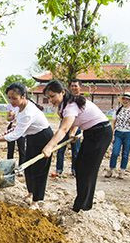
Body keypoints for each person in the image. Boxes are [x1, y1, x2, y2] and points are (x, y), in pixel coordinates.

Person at [42, 80, 112, 213]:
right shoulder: (64, 106)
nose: (50, 100)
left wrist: (49, 146)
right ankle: (81, 202)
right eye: (48, 97)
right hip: (91, 132)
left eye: (52, 96)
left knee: (88, 170)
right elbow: (74, 122)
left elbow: (63, 129)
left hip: (101, 133)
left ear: (62, 92)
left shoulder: (71, 106)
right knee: (80, 166)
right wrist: (73, 134)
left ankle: (83, 205)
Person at [0, 83, 52, 207]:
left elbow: (15, 136)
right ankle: (31, 192)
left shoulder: (29, 112)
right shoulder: (16, 106)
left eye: (14, 98)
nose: (11, 101)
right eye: (9, 97)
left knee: (39, 169)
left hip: (43, 138)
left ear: (23, 96)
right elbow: (15, 120)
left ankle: (37, 200)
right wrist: (14, 121)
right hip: (31, 137)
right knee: (28, 167)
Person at [51, 79, 82, 177]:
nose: (73, 87)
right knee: (60, 149)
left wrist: (73, 132)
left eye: (75, 86)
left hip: (76, 126)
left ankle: (75, 170)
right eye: (72, 86)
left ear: (80, 87)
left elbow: (78, 119)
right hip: (64, 124)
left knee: (76, 150)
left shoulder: (80, 100)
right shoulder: (64, 100)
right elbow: (60, 113)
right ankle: (59, 170)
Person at [106, 92, 130, 179]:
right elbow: (113, 122)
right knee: (115, 152)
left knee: (125, 153)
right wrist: (111, 134)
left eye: (127, 99)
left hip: (128, 133)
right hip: (118, 133)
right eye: (124, 99)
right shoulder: (118, 110)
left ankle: (122, 171)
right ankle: (111, 169)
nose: (125, 101)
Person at [5, 101, 26, 165]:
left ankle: (21, 167)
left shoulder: (22, 105)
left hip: (20, 127)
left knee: (21, 149)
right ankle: (9, 166)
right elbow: (8, 119)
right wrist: (12, 116)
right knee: (10, 149)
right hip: (12, 126)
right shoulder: (9, 106)